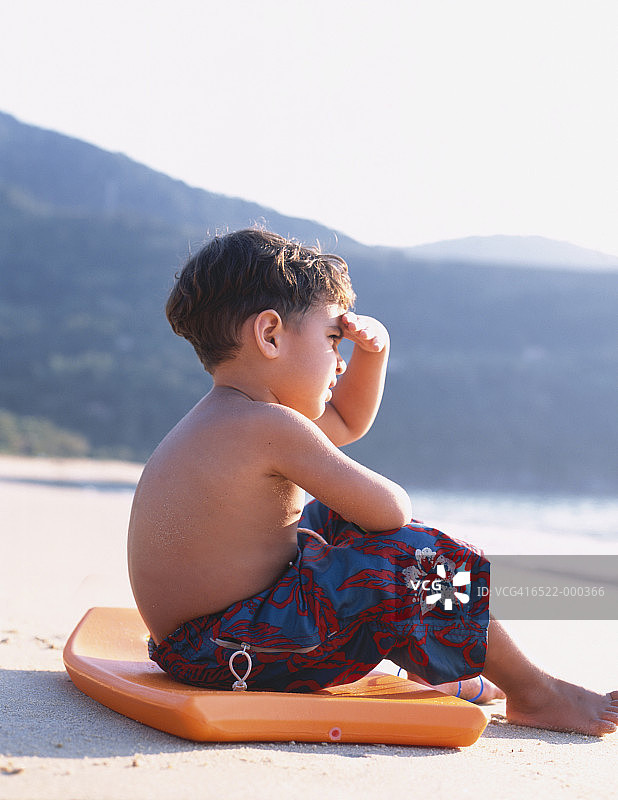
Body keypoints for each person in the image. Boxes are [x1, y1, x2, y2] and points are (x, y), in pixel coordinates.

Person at [127, 228, 617, 736]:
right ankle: (535, 692)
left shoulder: (231, 419)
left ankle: (448, 661)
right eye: (333, 340)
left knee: (337, 528)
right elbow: (389, 514)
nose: (341, 360)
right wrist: (393, 531)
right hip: (230, 650)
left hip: (205, 645)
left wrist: (373, 354)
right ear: (270, 335)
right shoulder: (271, 427)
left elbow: (346, 421)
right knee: (408, 555)